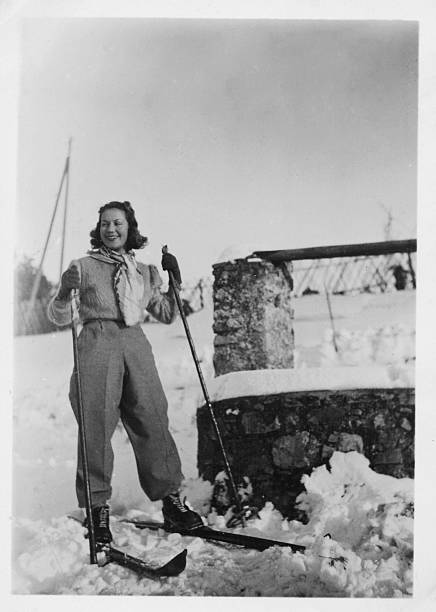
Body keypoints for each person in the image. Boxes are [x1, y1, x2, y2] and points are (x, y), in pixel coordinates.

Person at [48, 201, 203, 543]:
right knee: (96, 423)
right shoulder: (83, 266)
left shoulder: (144, 271)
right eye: (105, 224)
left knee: (153, 417)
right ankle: (97, 508)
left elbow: (164, 313)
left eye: (117, 223)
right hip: (97, 341)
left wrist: (174, 281)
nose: (111, 229)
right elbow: (59, 316)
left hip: (135, 342)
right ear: (98, 229)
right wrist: (63, 290)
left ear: (130, 228)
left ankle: (172, 503)